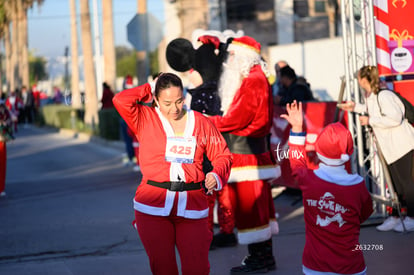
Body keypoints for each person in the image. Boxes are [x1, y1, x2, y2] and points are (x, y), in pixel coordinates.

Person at [112, 72, 232, 275]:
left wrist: (216, 174)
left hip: (193, 206)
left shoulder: (200, 122)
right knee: (163, 269)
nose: (174, 109)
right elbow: (120, 100)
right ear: (156, 99)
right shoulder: (144, 118)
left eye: (178, 101)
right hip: (152, 207)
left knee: (198, 269)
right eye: (167, 103)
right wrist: (150, 86)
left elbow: (223, 155)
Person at [209, 36, 279, 273]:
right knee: (255, 209)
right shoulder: (255, 78)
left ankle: (260, 260)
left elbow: (239, 117)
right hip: (249, 152)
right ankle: (261, 258)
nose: (229, 60)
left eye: (232, 55)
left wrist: (210, 122)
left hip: (246, 154)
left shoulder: (253, 80)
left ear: (243, 57)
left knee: (251, 210)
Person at [282, 100, 373, 275]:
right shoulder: (358, 185)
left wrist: (297, 130)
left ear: (318, 150)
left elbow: (296, 162)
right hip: (351, 266)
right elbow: (364, 214)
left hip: (315, 266)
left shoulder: (307, 179)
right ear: (349, 152)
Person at [339, 65, 414, 232]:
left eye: (358, 78)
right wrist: (354, 107)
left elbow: (394, 118)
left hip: (402, 145)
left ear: (364, 80)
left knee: (406, 183)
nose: (357, 81)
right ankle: (396, 215)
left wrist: (370, 120)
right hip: (390, 148)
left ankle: (411, 217)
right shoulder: (372, 96)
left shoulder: (384, 95)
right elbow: (370, 111)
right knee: (395, 185)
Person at [0, 101, 14, 197]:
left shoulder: (2, 107)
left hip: (0, 139)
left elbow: (9, 119)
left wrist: (4, 123)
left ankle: (1, 188)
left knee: (1, 163)